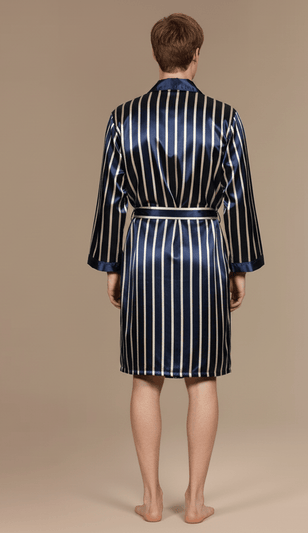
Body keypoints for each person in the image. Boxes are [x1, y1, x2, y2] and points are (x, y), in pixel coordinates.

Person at [87, 13, 264, 524]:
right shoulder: (224, 118)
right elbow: (240, 198)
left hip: (144, 246)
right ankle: (195, 500)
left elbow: (111, 197)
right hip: (204, 246)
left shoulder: (123, 118)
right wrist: (239, 266)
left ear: (155, 55)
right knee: (201, 377)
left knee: (146, 378)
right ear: (196, 55)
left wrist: (112, 264)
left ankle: (151, 500)